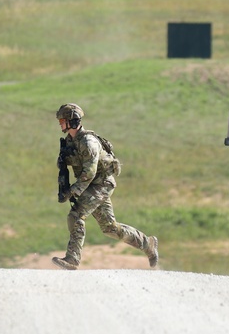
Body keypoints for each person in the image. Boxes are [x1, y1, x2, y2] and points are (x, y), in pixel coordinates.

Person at [52, 103, 159, 270]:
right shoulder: (70, 142)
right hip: (91, 185)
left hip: (101, 183)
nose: (60, 123)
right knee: (110, 228)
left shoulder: (88, 142)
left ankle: (72, 259)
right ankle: (148, 244)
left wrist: (74, 191)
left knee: (76, 215)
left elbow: (90, 172)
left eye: (62, 120)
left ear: (72, 121)